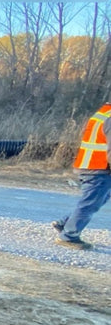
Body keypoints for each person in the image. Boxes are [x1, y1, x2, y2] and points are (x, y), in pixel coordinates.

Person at [53, 102, 111, 250]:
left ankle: (65, 223)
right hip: (97, 167)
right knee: (91, 203)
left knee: (95, 200)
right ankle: (69, 236)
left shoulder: (105, 112)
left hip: (92, 165)